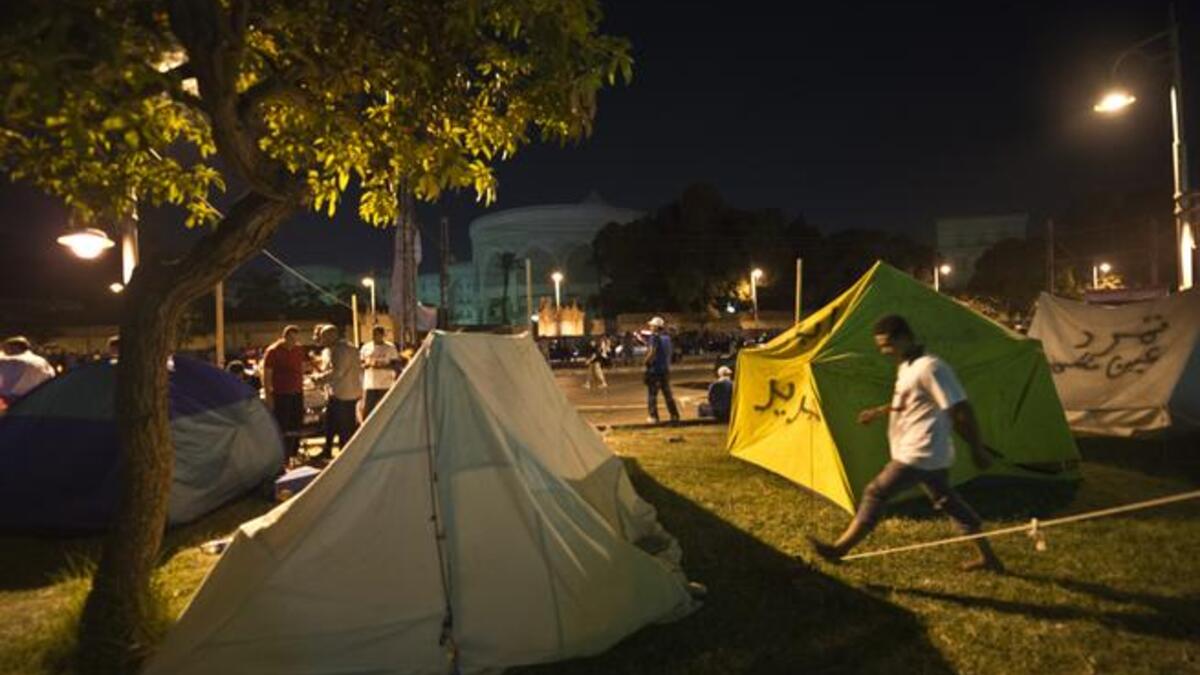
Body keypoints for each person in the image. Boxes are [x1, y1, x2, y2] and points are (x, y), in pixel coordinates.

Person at [806, 315, 1004, 573]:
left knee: (875, 492)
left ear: (905, 337)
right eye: (880, 346)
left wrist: (977, 448)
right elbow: (911, 402)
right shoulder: (907, 368)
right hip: (927, 455)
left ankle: (839, 549)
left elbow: (960, 409)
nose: (884, 351)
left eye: (888, 344)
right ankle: (989, 558)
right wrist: (878, 411)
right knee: (949, 503)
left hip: (920, 453)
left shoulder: (931, 367)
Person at [312, 324, 363, 462]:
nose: (321, 339)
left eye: (323, 336)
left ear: (331, 335)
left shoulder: (340, 350)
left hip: (343, 395)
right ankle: (328, 451)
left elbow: (338, 372)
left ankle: (344, 458)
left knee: (344, 429)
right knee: (330, 424)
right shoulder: (347, 348)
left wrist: (319, 379)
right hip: (345, 393)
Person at [262, 325, 308, 465]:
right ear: (284, 337)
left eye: (295, 339)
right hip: (281, 393)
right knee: (283, 425)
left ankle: (294, 453)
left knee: (296, 423)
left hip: (297, 391)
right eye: (290, 338)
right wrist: (269, 395)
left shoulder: (298, 349)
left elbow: (303, 367)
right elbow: (267, 374)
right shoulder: (273, 351)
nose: (293, 342)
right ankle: (282, 456)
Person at [644, 317, 680, 424]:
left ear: (656, 327)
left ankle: (654, 417)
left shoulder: (654, 338)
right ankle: (674, 415)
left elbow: (652, 351)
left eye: (651, 325)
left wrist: (646, 361)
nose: (650, 327)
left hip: (654, 370)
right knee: (668, 395)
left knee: (652, 395)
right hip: (665, 370)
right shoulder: (667, 338)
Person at [0, 336, 56, 404]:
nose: (4, 350)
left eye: (6, 347)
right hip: (39, 398)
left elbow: (5, 385)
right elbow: (51, 377)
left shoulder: (11, 361)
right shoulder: (41, 360)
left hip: (13, 400)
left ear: (15, 347)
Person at [360, 325, 400, 417]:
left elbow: (396, 364)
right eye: (373, 334)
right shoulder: (366, 347)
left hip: (385, 383)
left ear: (382, 335)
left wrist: (382, 366)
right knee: (367, 409)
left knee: (385, 408)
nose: (375, 336)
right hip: (370, 383)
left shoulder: (390, 347)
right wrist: (367, 365)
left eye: (377, 334)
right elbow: (360, 363)